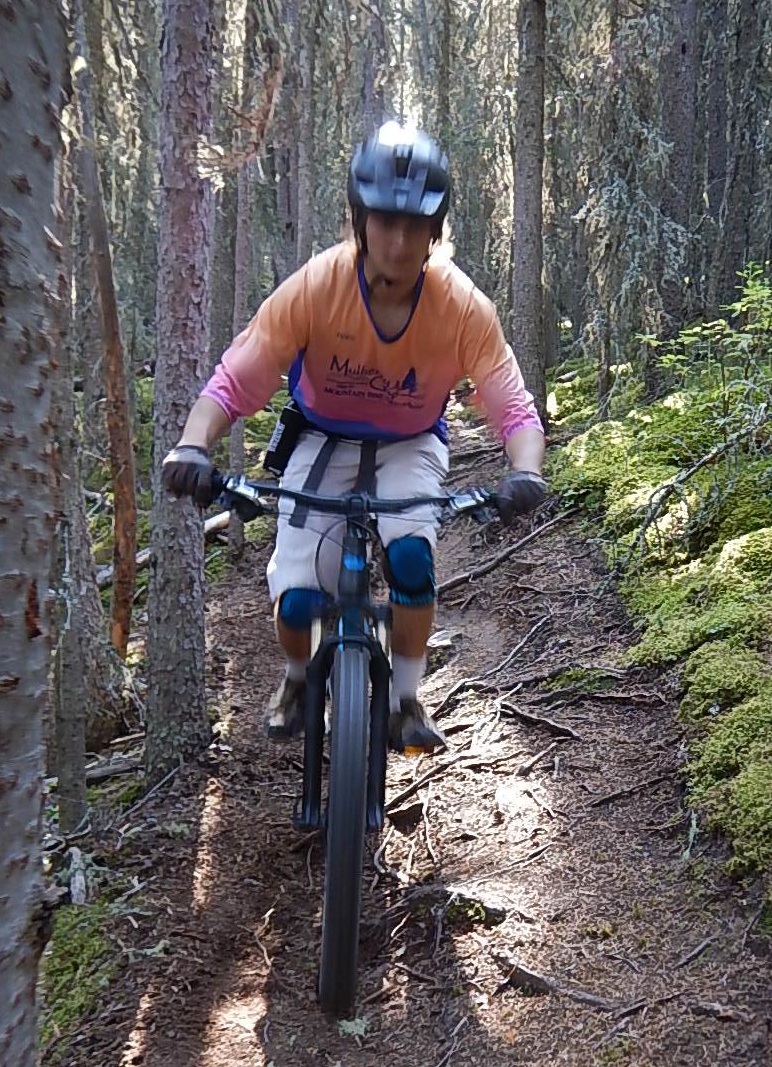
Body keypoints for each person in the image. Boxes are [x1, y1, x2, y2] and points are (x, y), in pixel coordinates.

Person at [161, 120, 547, 753]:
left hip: (410, 443)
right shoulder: (318, 286)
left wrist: (525, 472)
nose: (397, 240)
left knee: (412, 558)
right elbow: (238, 377)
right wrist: (193, 445)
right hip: (321, 437)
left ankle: (403, 700)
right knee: (297, 603)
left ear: (435, 231)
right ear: (358, 220)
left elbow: (512, 407)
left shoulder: (462, 307)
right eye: (383, 220)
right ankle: (295, 680)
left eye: (414, 224)